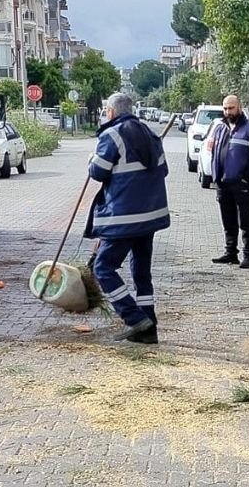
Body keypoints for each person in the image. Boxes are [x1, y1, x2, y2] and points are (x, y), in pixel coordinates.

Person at [86, 92, 170, 344]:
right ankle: (149, 328)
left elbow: (98, 173)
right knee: (141, 274)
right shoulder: (150, 134)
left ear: (111, 112)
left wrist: (91, 160)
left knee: (103, 268)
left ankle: (134, 318)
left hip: (122, 218)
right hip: (150, 216)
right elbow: (163, 171)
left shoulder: (111, 136)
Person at [209, 94, 249, 269]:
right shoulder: (220, 128)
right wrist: (215, 176)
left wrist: (245, 178)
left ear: (239, 107)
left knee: (245, 221)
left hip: (241, 184)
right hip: (223, 183)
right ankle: (230, 252)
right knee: (228, 220)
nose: (228, 111)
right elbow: (214, 153)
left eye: (231, 108)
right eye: (225, 108)